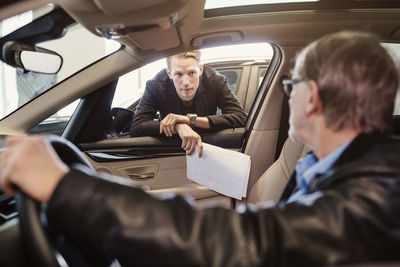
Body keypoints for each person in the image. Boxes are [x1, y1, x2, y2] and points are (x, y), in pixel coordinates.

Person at [2, 31, 400, 266]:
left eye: (289, 86)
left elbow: (249, 244)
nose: (287, 95)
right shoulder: (331, 164)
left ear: (310, 97)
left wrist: (65, 188)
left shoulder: (378, 192)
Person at [129, 50, 247, 157]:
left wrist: (189, 120)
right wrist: (178, 126)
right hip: (169, 150)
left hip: (207, 148)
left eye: (191, 73)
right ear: (169, 73)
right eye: (178, 74)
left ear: (200, 70)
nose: (186, 82)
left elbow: (240, 117)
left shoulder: (215, 81)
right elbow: (137, 126)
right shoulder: (156, 85)